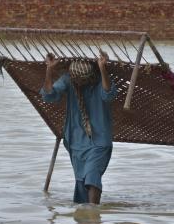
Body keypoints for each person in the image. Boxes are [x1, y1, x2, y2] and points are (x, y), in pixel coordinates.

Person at [40, 51, 118, 204]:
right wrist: (49, 69)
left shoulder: (99, 81)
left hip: (99, 141)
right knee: (81, 183)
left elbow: (108, 94)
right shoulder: (69, 79)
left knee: (91, 175)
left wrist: (102, 68)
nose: (80, 84)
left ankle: (93, 215)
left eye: (84, 80)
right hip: (76, 141)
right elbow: (49, 95)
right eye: (77, 81)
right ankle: (85, 222)